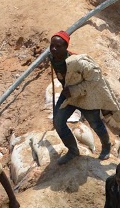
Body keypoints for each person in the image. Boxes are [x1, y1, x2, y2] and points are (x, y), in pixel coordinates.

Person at [47, 31, 115, 162]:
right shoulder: (52, 57)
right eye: (52, 45)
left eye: (58, 46)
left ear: (66, 47)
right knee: (58, 122)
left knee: (95, 124)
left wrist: (75, 90)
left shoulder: (77, 62)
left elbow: (95, 78)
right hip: (69, 96)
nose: (54, 49)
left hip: (85, 96)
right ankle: (73, 151)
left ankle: (106, 146)